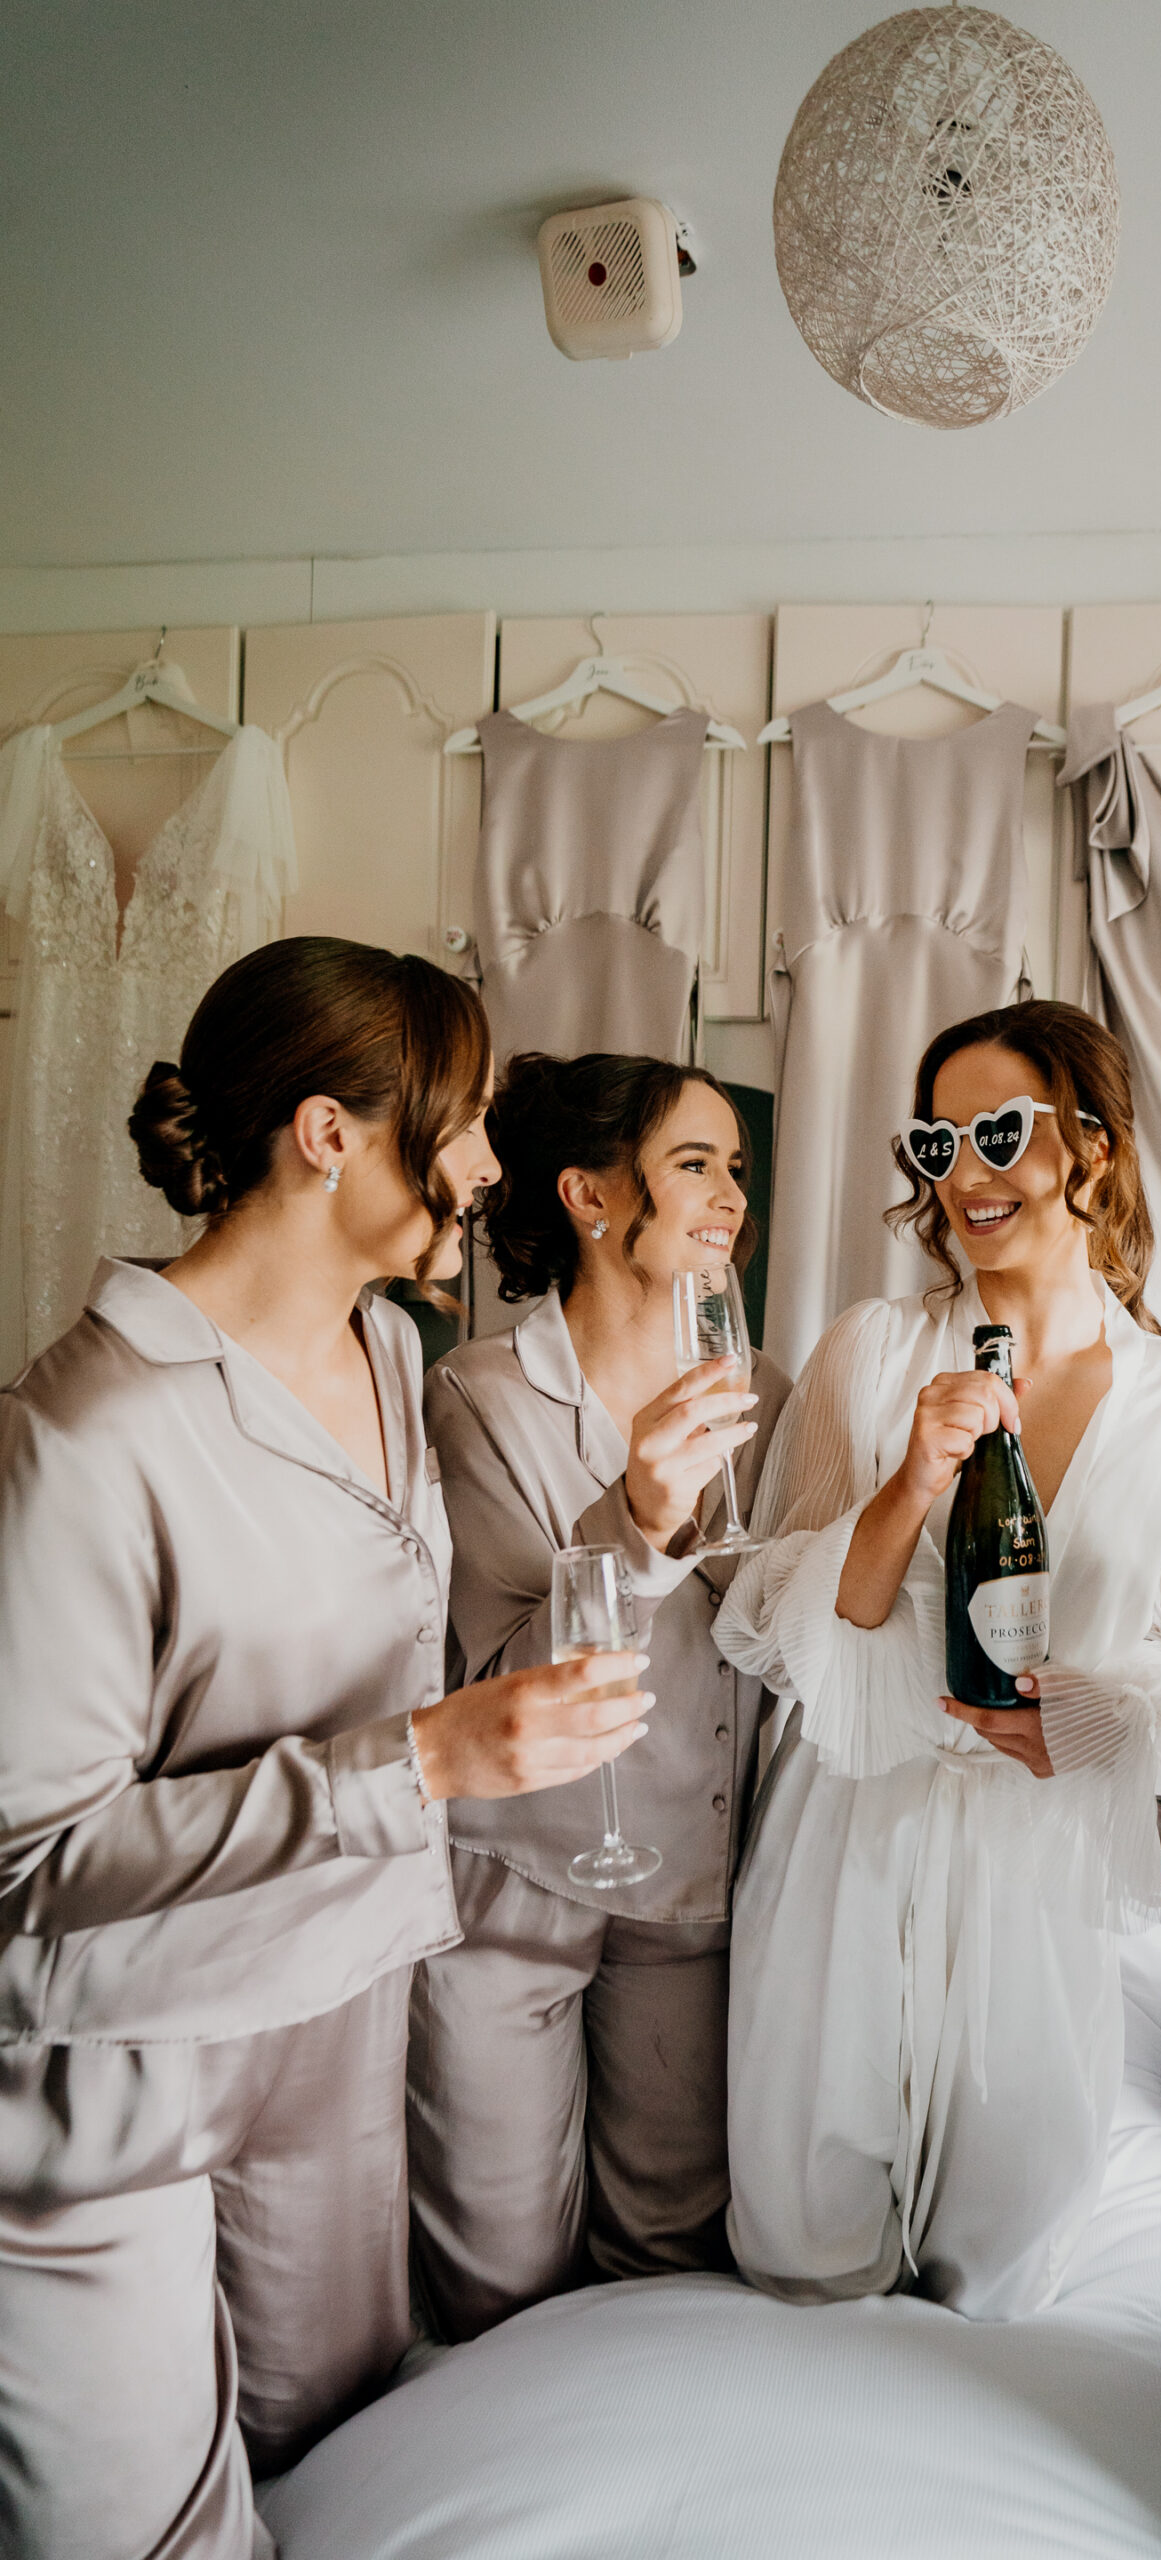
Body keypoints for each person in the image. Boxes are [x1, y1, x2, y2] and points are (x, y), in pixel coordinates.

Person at [0, 939, 650, 2560]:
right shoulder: (82, 1436)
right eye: (468, 1118)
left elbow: (385, 1646)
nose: (492, 1163)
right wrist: (415, 1764)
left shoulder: (390, 1351)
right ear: (329, 1134)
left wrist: (627, 1532)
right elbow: (30, 1873)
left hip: (343, 2014)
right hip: (120, 2079)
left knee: (347, 2474)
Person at [718, 999, 1161, 2320]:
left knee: (1003, 2268)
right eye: (938, 1141)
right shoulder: (871, 1350)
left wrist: (1093, 1725)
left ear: (1095, 1147)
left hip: (1043, 1870)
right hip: (851, 1837)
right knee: (804, 2248)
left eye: (1000, 1130)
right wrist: (910, 1483)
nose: (966, 1170)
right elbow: (782, 1624)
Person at [410, 1051, 791, 2339]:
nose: (731, 1194)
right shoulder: (479, 1397)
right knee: (493, 2280)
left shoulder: (769, 1399)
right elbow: (494, 1678)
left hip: (689, 1888)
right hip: (513, 1890)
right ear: (586, 1193)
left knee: (669, 2269)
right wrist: (636, 1516)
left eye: (737, 1169)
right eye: (696, 1164)